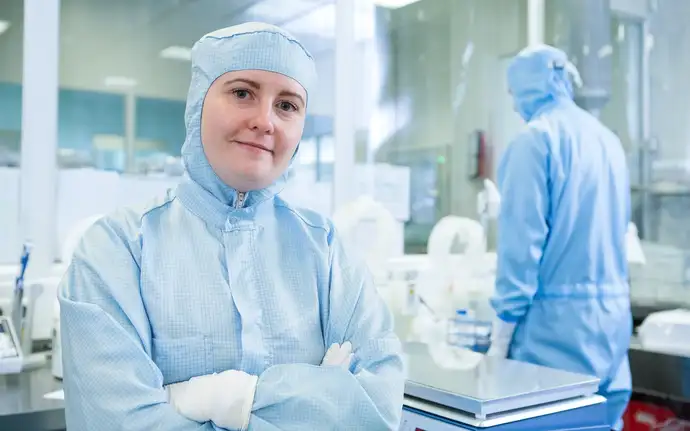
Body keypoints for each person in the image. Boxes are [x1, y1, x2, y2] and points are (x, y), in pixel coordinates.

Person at [58, 22, 405, 431]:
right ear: (198, 103)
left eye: (287, 105)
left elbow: (378, 409)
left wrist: (224, 399)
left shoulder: (326, 249)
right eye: (243, 93)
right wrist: (322, 396)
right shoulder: (116, 250)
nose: (265, 121)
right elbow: (115, 422)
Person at [487, 45, 632, 430]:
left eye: (514, 93)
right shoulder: (608, 142)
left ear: (527, 87)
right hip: (612, 330)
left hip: (555, 338)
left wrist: (501, 332)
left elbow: (521, 248)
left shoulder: (534, 142)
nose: (515, 106)